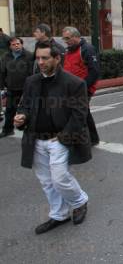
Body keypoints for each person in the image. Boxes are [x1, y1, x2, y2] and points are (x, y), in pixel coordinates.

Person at [15, 42, 90, 234]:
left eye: (45, 58)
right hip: (36, 139)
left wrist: (63, 137)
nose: (40, 62)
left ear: (57, 59)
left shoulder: (74, 83)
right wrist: (21, 117)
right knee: (46, 181)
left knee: (59, 178)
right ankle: (60, 213)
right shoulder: (31, 81)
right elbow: (24, 105)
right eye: (38, 58)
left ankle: (80, 201)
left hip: (59, 139)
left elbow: (79, 115)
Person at [62, 27, 101, 146]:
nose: (66, 41)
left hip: (83, 88)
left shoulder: (87, 49)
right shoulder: (69, 50)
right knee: (83, 111)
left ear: (76, 37)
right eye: (64, 38)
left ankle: (80, 138)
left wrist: (83, 86)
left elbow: (94, 71)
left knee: (79, 111)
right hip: (71, 88)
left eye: (68, 38)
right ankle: (92, 138)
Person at [0, 37, 34, 138]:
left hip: (26, 89)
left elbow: (32, 72)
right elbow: (2, 72)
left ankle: (30, 131)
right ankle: (8, 130)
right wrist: (2, 87)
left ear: (22, 44)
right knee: (9, 110)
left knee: (27, 110)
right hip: (11, 88)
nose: (16, 46)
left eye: (18, 44)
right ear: (10, 47)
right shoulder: (6, 56)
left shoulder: (29, 56)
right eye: (14, 44)